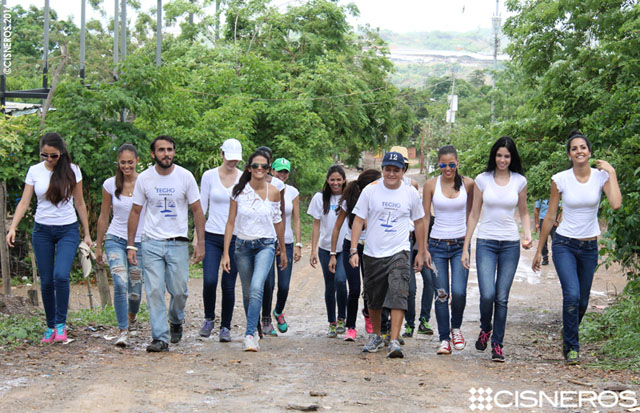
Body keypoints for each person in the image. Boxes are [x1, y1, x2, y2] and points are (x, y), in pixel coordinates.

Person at [532, 130, 621, 365]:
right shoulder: (560, 179)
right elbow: (550, 215)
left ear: (589, 152)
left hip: (590, 247)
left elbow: (616, 204)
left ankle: (568, 333)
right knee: (571, 295)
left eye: (583, 147)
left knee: (582, 301)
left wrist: (611, 172)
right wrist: (541, 250)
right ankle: (572, 347)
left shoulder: (601, 177)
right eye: (574, 148)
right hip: (564, 244)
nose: (579, 151)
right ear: (569, 154)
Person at [6, 132, 92, 343]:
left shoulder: (73, 171)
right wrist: (13, 227)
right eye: (45, 155)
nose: (49, 160)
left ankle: (61, 324)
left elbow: (80, 203)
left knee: (61, 275)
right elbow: (25, 202)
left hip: (67, 230)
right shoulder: (34, 171)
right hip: (42, 230)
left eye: (53, 156)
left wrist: (88, 233)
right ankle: (50, 325)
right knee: (45, 281)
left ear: (61, 153)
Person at [127, 136, 205, 352]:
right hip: (151, 242)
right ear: (153, 154)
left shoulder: (185, 177)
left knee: (179, 291)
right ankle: (160, 338)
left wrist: (201, 242)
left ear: (174, 152)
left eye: (170, 150)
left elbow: (197, 210)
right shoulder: (144, 178)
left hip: (178, 243)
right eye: (161, 150)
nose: (166, 154)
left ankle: (176, 320)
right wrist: (131, 245)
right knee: (154, 291)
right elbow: (135, 211)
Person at [350, 152, 430, 359]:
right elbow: (358, 220)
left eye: (396, 170)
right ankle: (376, 335)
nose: (391, 174)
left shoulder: (409, 193)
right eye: (388, 169)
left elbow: (420, 221)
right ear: (383, 170)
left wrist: (421, 251)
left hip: (399, 251)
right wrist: (353, 250)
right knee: (374, 297)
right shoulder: (371, 190)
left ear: (403, 172)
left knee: (398, 292)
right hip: (373, 252)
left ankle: (394, 340)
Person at [462, 136, 532, 362]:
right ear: (494, 156)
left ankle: (497, 344)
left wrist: (528, 234)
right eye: (499, 155)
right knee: (488, 294)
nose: (503, 159)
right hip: (486, 242)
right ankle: (485, 327)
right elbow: (474, 214)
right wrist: (466, 246)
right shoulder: (482, 180)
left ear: (512, 158)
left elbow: (523, 212)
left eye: (507, 156)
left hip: (510, 243)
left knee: (501, 297)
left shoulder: (519, 181)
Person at [221, 150, 287, 352]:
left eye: (264, 166)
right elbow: (230, 222)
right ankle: (255, 325)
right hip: (242, 246)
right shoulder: (238, 191)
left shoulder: (274, 191)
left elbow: (278, 221)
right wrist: (225, 253)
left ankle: (249, 335)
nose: (260, 169)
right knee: (249, 293)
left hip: (266, 245)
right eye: (256, 166)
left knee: (258, 287)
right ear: (249, 168)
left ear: (268, 170)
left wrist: (283, 250)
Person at [423, 145, 474, 355]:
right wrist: (423, 248)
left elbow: (472, 215)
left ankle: (456, 328)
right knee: (442, 294)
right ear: (438, 165)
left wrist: (467, 246)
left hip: (460, 244)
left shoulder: (469, 184)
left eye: (451, 164)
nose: (447, 169)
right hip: (436, 245)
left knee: (460, 292)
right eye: (443, 165)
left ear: (458, 163)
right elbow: (425, 217)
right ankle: (444, 339)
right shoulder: (430, 185)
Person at [96, 144, 145, 347]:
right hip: (115, 238)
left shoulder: (145, 183)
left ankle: (132, 318)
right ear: (118, 163)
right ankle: (123, 330)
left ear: (137, 161)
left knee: (135, 287)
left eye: (130, 162)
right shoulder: (110, 185)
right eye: (123, 162)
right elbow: (104, 215)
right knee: (119, 281)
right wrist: (98, 245)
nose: (126, 166)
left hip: (140, 241)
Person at [198, 138, 243, 342]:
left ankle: (226, 326)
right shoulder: (209, 176)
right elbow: (201, 207)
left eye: (236, 159)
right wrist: (197, 238)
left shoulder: (244, 178)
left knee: (228, 284)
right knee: (209, 280)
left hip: (234, 238)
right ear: (222, 155)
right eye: (229, 158)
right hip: (212, 234)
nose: (232, 162)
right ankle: (209, 318)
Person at [328, 169, 382, 341]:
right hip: (351, 247)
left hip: (371, 248)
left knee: (369, 288)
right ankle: (351, 327)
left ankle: (368, 315)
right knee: (355, 289)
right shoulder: (350, 201)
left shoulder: (380, 199)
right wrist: (332, 253)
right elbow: (337, 227)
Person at [262, 157, 302, 334]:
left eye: (285, 171)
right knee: (268, 283)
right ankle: (265, 319)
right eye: (279, 171)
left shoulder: (292, 192)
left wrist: (299, 243)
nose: (282, 175)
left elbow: (296, 219)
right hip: (268, 241)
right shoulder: (264, 188)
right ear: (272, 170)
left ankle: (278, 310)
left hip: (286, 241)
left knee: (284, 285)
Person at [308, 165, 348, 338]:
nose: (336, 183)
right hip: (325, 248)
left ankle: (342, 318)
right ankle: (331, 322)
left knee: (341, 281)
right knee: (330, 285)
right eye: (332, 179)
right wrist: (313, 250)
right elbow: (316, 225)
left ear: (344, 180)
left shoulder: (348, 197)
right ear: (327, 180)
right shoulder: (319, 198)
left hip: (345, 248)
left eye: (339, 179)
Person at [255, 146, 286, 336]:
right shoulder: (246, 182)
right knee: (252, 283)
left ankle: (266, 318)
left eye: (265, 163)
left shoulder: (278, 186)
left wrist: (280, 243)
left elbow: (278, 215)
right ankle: (254, 321)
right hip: (248, 237)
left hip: (269, 238)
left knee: (268, 282)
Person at [534, 198, 561, 265]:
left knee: (555, 240)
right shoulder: (541, 197)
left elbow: (560, 210)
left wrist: (557, 221)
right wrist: (537, 223)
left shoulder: (556, 196)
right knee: (543, 240)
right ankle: (545, 258)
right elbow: (537, 210)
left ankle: (556, 257)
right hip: (543, 219)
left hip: (553, 220)